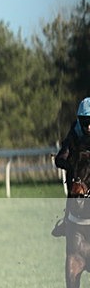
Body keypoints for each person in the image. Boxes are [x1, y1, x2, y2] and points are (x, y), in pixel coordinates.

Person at [52, 98, 90, 237]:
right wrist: (73, 166)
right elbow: (59, 159)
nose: (89, 127)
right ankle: (67, 222)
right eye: (86, 123)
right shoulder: (75, 131)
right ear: (80, 121)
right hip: (80, 175)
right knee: (74, 185)